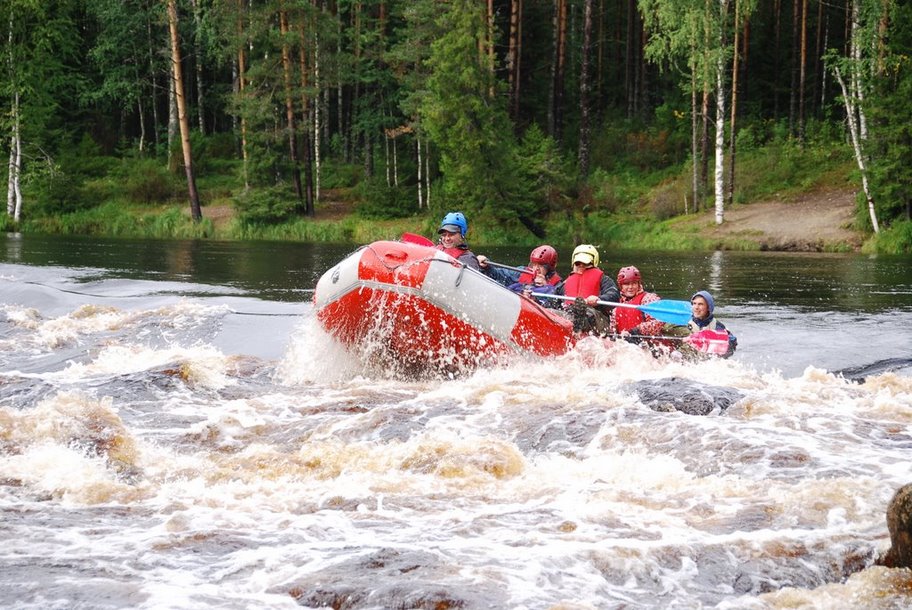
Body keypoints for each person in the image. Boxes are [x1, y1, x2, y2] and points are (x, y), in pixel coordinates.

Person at [552, 244, 619, 334]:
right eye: (578, 263)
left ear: (593, 263)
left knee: (588, 312)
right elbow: (553, 302)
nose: (581, 266)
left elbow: (614, 295)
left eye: (585, 264)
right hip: (568, 316)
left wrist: (599, 299)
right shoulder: (564, 284)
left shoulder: (604, 279)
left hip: (596, 318)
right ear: (573, 263)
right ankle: (574, 321)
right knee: (551, 311)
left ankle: (578, 321)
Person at [477, 245, 562, 297]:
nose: (536, 269)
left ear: (550, 267)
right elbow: (499, 274)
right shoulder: (521, 272)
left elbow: (555, 305)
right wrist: (487, 267)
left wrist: (545, 288)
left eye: (541, 266)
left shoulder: (558, 286)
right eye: (534, 264)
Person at [678, 290, 738, 358]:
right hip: (689, 360)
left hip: (708, 362)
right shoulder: (684, 323)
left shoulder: (717, 326)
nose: (696, 307)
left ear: (708, 308)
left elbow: (732, 343)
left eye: (700, 304)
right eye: (694, 303)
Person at [610, 266, 665, 339]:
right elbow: (613, 332)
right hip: (627, 346)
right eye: (626, 284)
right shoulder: (615, 310)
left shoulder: (649, 299)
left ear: (638, 284)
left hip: (651, 346)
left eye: (634, 283)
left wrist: (636, 331)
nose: (630, 287)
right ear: (621, 286)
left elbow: (659, 321)